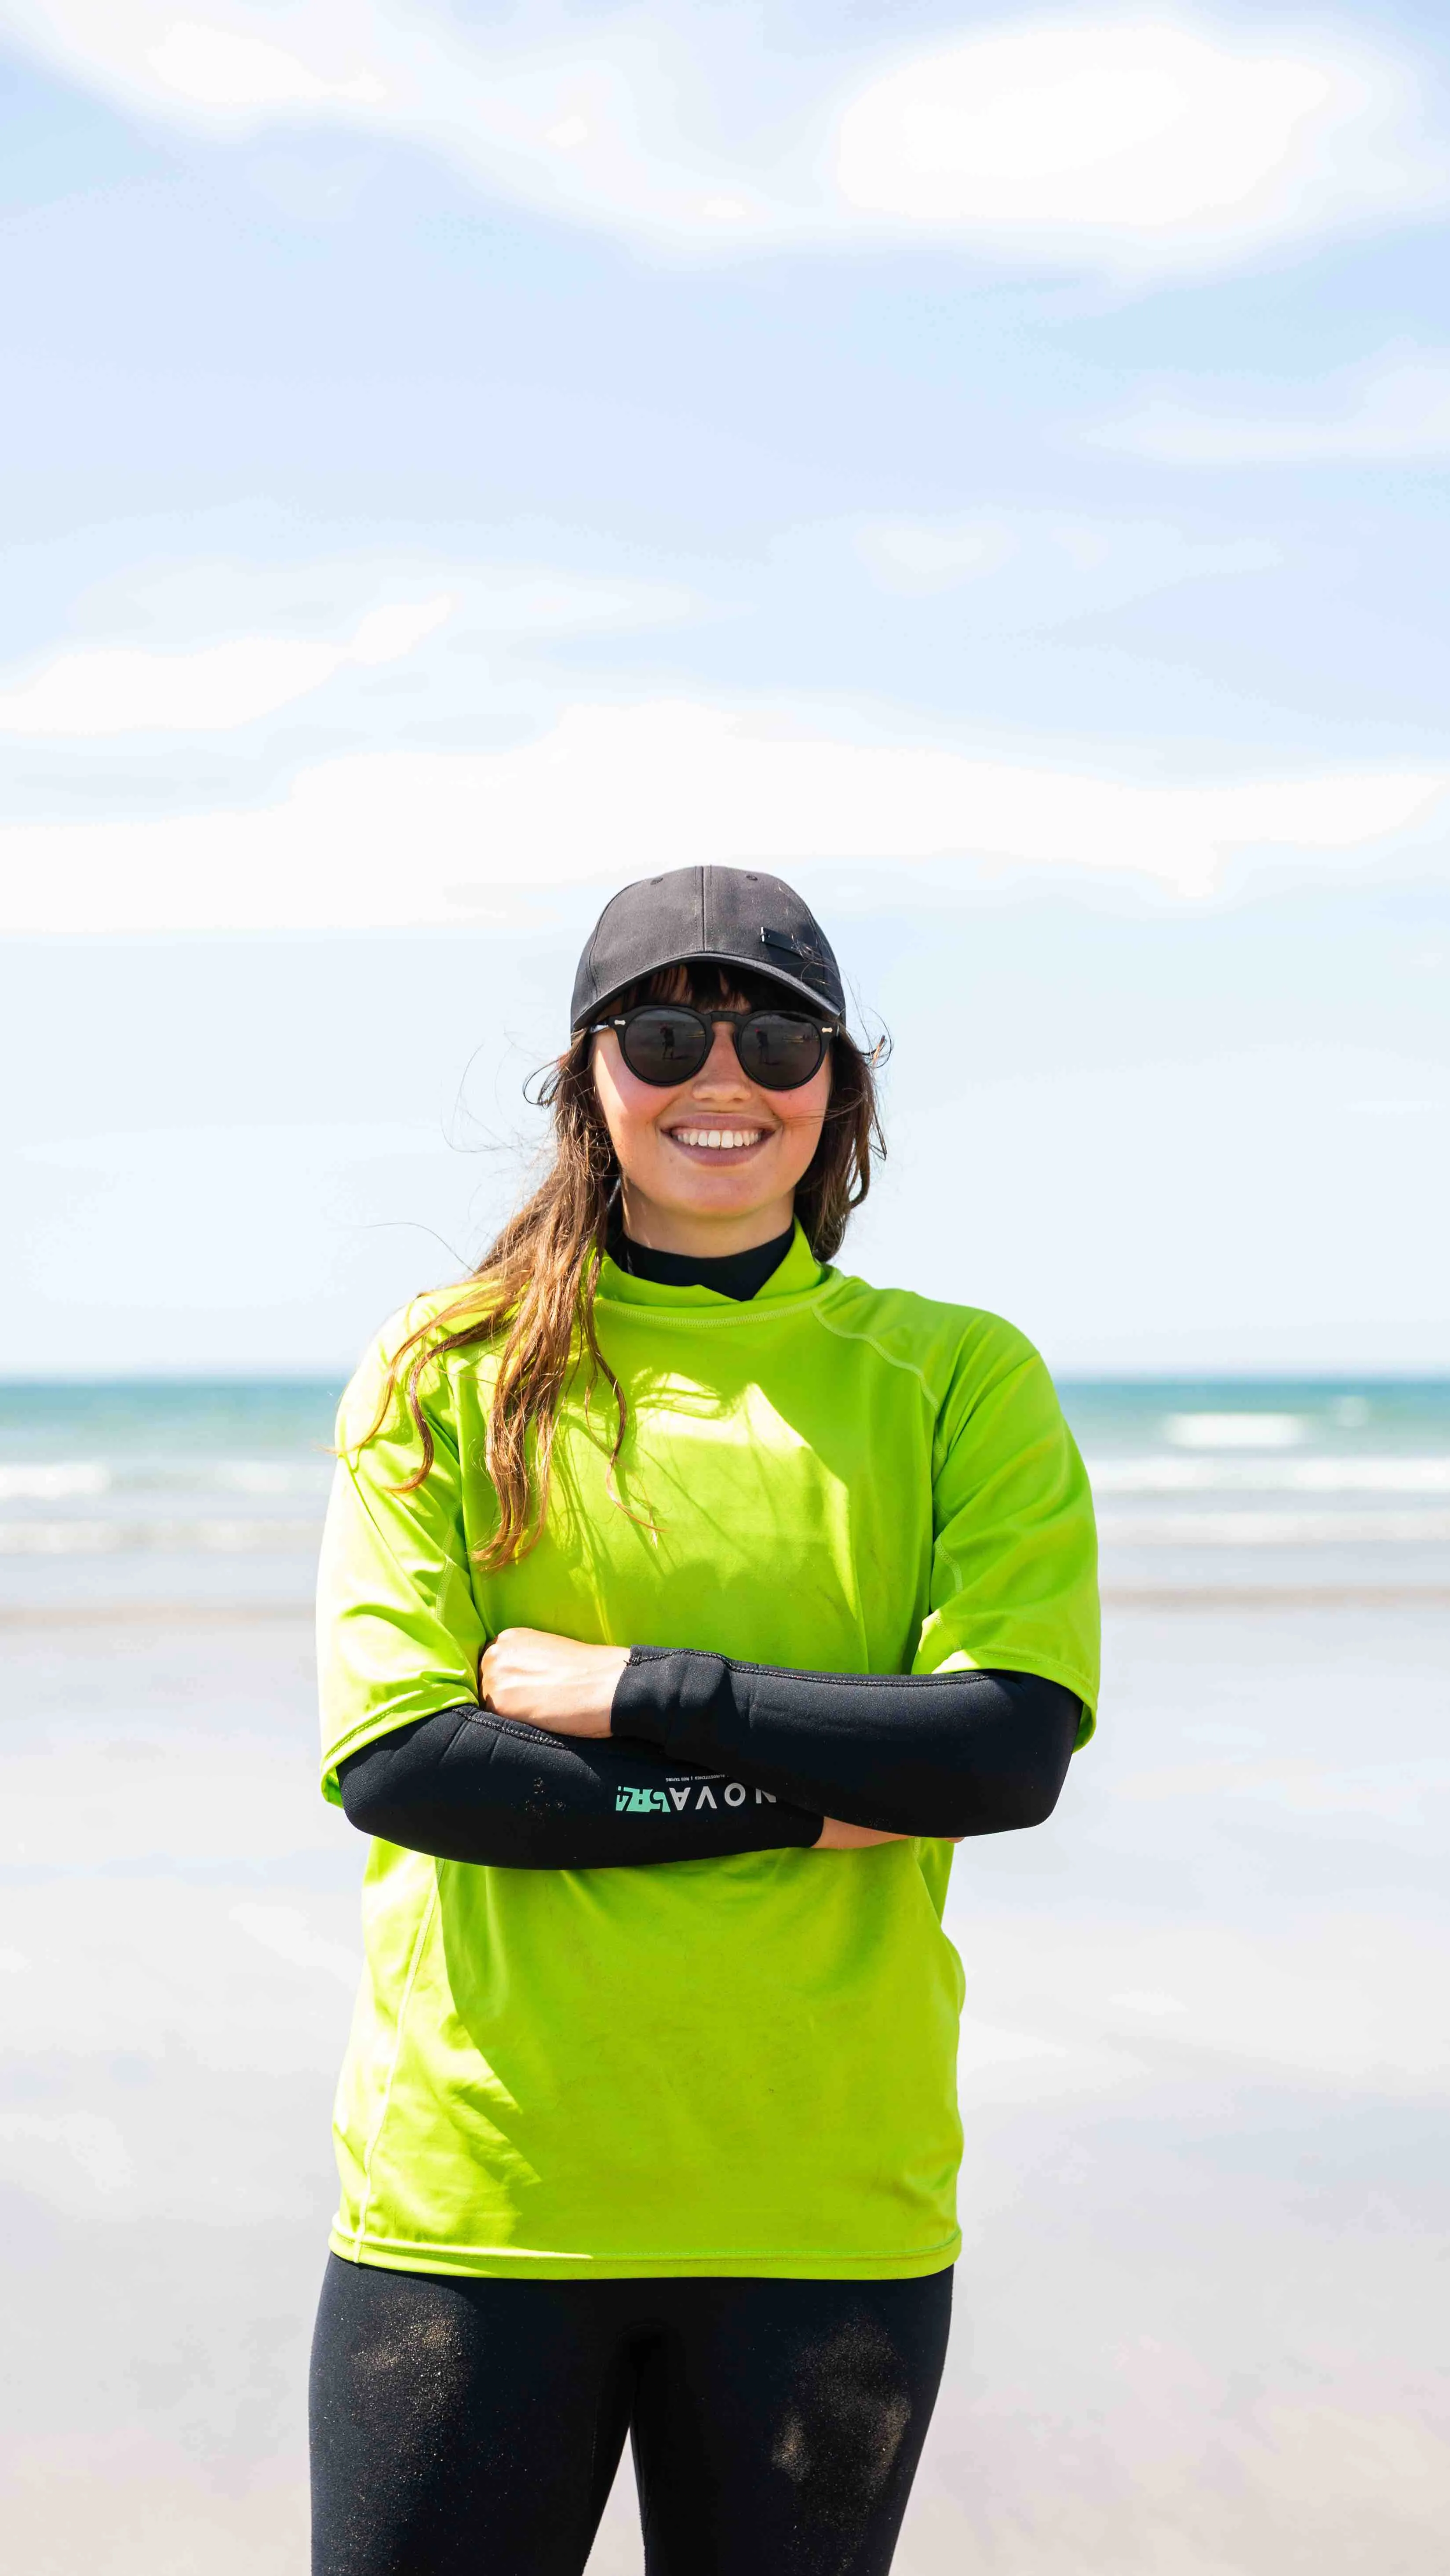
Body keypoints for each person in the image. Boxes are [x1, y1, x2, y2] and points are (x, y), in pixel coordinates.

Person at [308, 863, 1100, 2575]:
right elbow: (417, 1771)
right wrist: (802, 1793)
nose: (720, 1079)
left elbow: (998, 1754)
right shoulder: (446, 1365)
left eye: (777, 1037)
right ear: (591, 1076)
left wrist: (638, 1694)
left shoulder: (960, 1377)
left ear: (843, 1082)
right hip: (482, 2195)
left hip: (822, 2202)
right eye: (665, 1032)